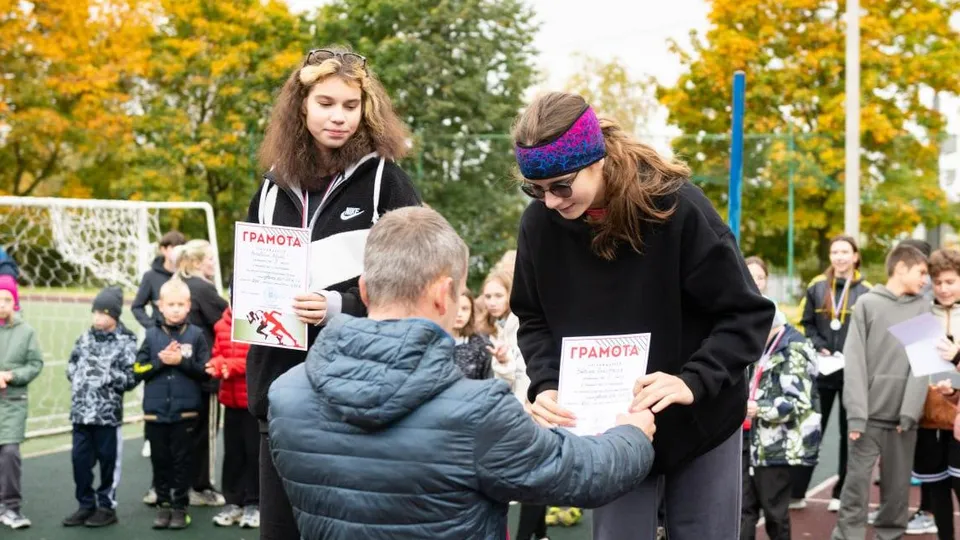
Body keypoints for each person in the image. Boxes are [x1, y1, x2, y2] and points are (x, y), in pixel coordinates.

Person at [267, 206, 657, 540]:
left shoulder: (286, 395)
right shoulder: (477, 411)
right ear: (443, 294)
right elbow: (580, 473)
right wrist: (633, 434)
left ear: (365, 291)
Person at [509, 92, 774, 539]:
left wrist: (693, 380)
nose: (550, 201)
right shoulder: (540, 223)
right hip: (610, 424)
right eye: (535, 189)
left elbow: (746, 313)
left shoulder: (676, 207)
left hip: (699, 418)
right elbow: (533, 318)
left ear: (598, 160)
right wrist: (548, 382)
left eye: (560, 186)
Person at [245, 46, 421, 539]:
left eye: (349, 105)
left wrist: (339, 305)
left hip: (354, 392)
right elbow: (250, 274)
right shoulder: (270, 185)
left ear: (366, 109)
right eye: (325, 103)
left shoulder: (386, 180)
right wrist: (251, 297)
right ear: (301, 106)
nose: (338, 117)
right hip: (277, 388)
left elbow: (416, 277)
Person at [831, 244, 930, 540]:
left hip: (902, 420)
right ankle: (848, 536)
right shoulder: (867, 304)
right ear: (901, 268)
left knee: (897, 491)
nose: (926, 280)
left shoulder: (921, 308)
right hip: (868, 418)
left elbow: (920, 367)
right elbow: (856, 362)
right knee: (856, 487)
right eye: (921, 272)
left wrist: (910, 412)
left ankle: (890, 535)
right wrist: (857, 415)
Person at [793, 235, 872, 510]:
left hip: (853, 373)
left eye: (844, 252)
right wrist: (820, 346)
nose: (839, 257)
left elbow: (870, 330)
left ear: (855, 256)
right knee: (814, 430)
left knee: (848, 434)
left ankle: (840, 493)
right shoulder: (817, 287)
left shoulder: (867, 291)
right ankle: (798, 491)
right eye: (835, 252)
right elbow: (805, 324)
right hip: (823, 371)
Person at [134, 278, 211, 530]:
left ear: (188, 306)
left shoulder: (197, 335)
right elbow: (137, 370)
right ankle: (163, 505)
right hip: (155, 414)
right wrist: (160, 362)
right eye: (171, 304)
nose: (176, 309)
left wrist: (181, 362)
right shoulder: (151, 335)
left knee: (182, 461)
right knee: (160, 460)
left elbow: (205, 372)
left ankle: (180, 507)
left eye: (181, 304)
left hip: (186, 413)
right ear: (160, 306)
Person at [740, 308, 821, 540]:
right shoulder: (761, 347)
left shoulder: (795, 348)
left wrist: (759, 408)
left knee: (775, 512)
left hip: (777, 444)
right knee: (744, 509)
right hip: (751, 437)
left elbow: (799, 402)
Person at [62, 287, 138, 528]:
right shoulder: (84, 338)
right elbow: (71, 364)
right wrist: (77, 376)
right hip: (81, 414)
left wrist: (106, 375)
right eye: (94, 313)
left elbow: (131, 378)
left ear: (114, 316)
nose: (97, 318)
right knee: (79, 462)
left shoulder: (127, 341)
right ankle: (85, 505)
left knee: (108, 463)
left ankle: (106, 506)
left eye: (103, 314)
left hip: (107, 417)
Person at [906, 248, 960, 539]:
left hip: (958, 416)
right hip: (927, 413)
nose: (943, 288)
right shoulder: (920, 313)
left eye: (950, 281)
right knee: (936, 488)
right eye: (938, 282)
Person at [173, 239, 228, 507]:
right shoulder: (202, 289)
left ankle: (178, 485)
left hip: (184, 370)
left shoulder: (181, 286)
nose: (213, 262)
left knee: (185, 431)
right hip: (204, 372)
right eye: (208, 258)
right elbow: (227, 320)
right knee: (205, 434)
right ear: (195, 262)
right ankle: (201, 486)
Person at [133, 230, 185, 468]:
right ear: (164, 249)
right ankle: (149, 437)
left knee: (179, 385)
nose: (176, 251)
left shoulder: (185, 275)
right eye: (173, 247)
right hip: (157, 340)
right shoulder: (151, 276)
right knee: (154, 386)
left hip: (183, 339)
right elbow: (137, 306)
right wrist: (152, 325)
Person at [206, 304, 260, 529]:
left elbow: (255, 360)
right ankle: (232, 502)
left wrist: (231, 365)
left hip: (252, 403)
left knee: (254, 454)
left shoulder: (258, 321)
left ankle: (254, 504)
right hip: (230, 402)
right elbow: (218, 353)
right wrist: (217, 365)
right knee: (233, 455)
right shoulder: (221, 325)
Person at [0, 275, 43, 530]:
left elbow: (35, 364)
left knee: (9, 453)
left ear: (14, 303)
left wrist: (11, 376)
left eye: (7, 299)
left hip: (13, 402)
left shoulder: (26, 332)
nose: (2, 304)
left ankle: (11, 507)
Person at [452, 289, 492, 380]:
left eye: (465, 309)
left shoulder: (482, 345)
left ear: (471, 312)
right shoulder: (432, 342)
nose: (459, 314)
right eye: (455, 308)